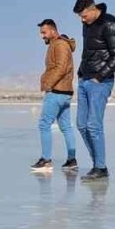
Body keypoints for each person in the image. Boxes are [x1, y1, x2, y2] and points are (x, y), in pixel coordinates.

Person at [73, 0, 115, 181]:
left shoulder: (111, 24)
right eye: (79, 16)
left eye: (84, 15)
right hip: (84, 79)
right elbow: (87, 52)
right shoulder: (86, 25)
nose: (82, 19)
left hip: (100, 82)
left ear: (93, 9)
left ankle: (100, 167)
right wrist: (81, 73)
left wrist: (99, 76)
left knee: (94, 125)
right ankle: (98, 163)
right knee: (81, 124)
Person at [31, 19, 78, 173]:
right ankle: (71, 160)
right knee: (65, 126)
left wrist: (48, 84)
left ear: (53, 30)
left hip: (57, 91)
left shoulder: (60, 45)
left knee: (44, 124)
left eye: (44, 32)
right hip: (63, 92)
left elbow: (61, 68)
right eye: (41, 33)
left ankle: (46, 160)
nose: (42, 36)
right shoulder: (57, 45)